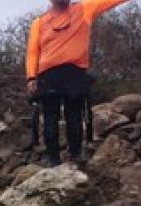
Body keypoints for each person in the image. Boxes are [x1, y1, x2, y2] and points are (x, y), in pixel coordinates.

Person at [26, 0, 133, 165]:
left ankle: (76, 156)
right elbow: (33, 52)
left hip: (74, 72)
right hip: (48, 74)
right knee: (50, 118)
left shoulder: (84, 9)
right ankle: (53, 160)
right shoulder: (38, 23)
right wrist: (31, 77)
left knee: (74, 116)